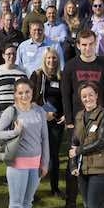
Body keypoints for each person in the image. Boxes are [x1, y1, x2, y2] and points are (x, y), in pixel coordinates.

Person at [60, 30, 104, 208]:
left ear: (95, 43)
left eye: (91, 43)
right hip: (77, 122)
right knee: (74, 162)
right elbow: (65, 95)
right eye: (83, 44)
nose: (87, 47)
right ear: (78, 45)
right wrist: (68, 120)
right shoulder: (70, 66)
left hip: (99, 121)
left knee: (100, 161)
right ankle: (71, 202)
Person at [0, 79, 49, 208]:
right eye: (20, 92)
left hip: (35, 163)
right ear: (15, 94)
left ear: (32, 92)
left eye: (27, 92)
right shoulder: (12, 111)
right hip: (17, 164)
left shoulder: (39, 110)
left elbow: (44, 138)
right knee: (16, 202)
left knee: (28, 201)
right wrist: (15, 132)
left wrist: (45, 162)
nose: (24, 95)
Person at [30, 48, 65, 197]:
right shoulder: (37, 75)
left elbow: (66, 97)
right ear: (44, 59)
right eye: (49, 58)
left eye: (54, 58)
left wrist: (65, 115)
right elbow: (30, 99)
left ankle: (55, 188)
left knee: (54, 156)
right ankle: (32, 191)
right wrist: (43, 114)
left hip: (57, 121)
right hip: (39, 120)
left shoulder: (61, 76)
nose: (52, 61)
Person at [0, 45, 27, 126]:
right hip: (1, 115)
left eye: (14, 54)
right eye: (9, 54)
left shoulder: (23, 72)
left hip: (19, 115)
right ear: (3, 55)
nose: (12, 56)